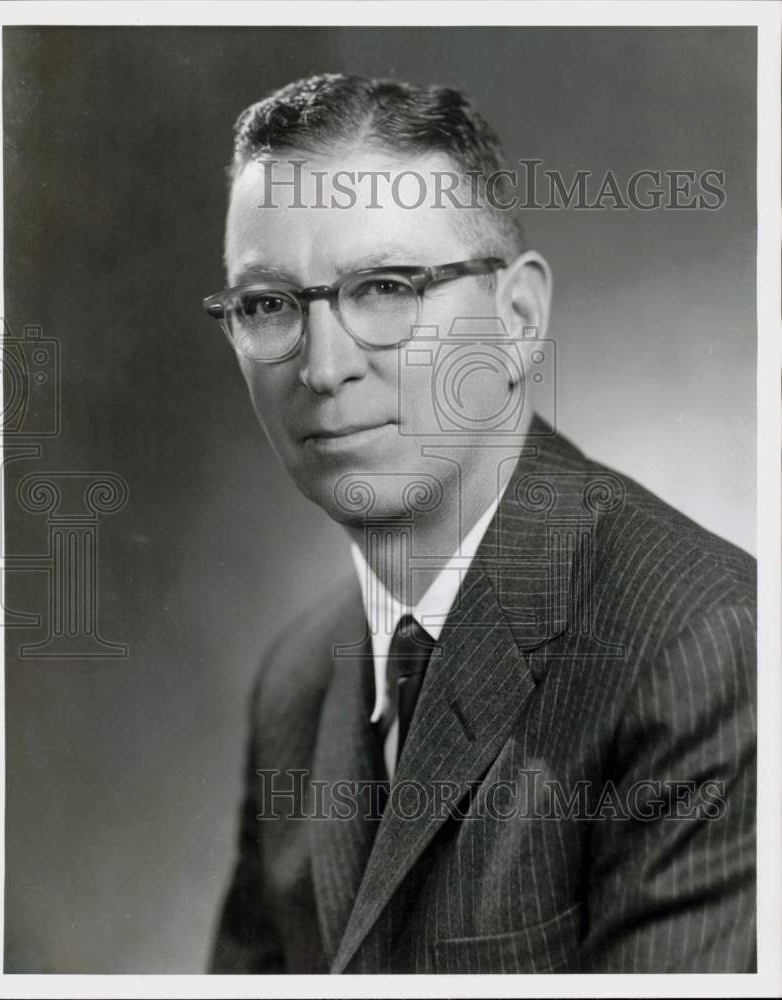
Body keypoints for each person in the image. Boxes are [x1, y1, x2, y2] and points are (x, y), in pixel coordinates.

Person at [203, 74, 756, 974]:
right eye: (268, 304)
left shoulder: (706, 650)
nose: (323, 367)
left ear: (517, 321)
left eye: (383, 287)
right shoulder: (297, 687)